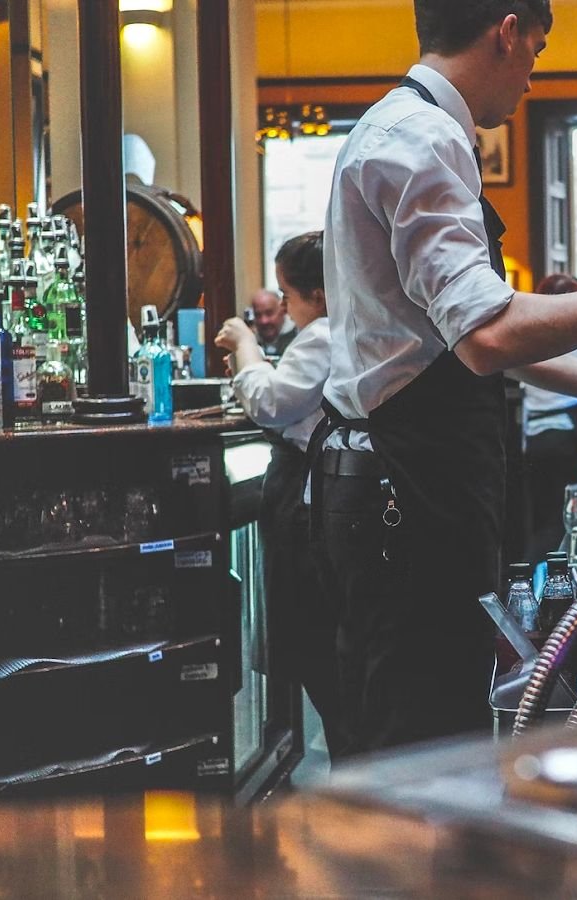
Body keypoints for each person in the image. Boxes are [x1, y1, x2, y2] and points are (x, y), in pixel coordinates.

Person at [314, 0, 577, 756]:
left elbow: (465, 332)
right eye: (537, 53)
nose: (532, 81)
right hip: (403, 494)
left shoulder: (411, 128)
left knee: (426, 721)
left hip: (403, 482)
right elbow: (485, 336)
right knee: (422, 740)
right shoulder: (421, 136)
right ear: (507, 31)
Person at [215, 232, 346, 759]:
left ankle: (346, 772)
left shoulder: (323, 335)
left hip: (309, 504)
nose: (287, 309)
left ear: (317, 293)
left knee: (315, 649)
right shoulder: (350, 330)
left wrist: (247, 347)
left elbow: (271, 402)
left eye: (288, 296)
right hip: (322, 496)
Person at [523, 273, 577, 559]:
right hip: (566, 432)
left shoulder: (528, 333)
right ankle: (554, 582)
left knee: (541, 518)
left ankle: (536, 579)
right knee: (563, 518)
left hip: (536, 435)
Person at [245, 289, 297, 357]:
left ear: (282, 311)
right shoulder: (250, 341)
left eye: (269, 313)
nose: (264, 321)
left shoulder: (299, 338)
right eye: (258, 315)